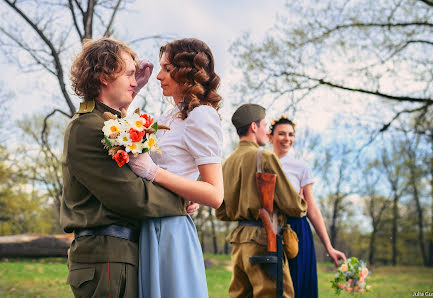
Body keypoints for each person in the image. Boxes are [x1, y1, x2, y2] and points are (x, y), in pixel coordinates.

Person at [61, 37, 188, 297]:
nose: (136, 81)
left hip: (115, 255)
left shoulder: (101, 121)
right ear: (105, 75)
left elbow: (119, 127)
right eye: (129, 74)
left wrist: (132, 92)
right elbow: (133, 197)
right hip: (107, 259)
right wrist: (183, 198)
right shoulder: (88, 127)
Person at [127, 38, 224, 298]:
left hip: (170, 230)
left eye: (167, 69)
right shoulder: (171, 116)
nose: (159, 76)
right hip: (152, 222)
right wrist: (133, 89)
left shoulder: (201, 115)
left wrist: (153, 173)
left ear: (188, 72)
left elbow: (215, 195)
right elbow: (126, 135)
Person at [216, 103, 307, 298]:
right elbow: (293, 205)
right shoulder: (264, 157)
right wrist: (301, 204)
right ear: (254, 127)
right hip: (264, 240)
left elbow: (221, 212)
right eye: (264, 125)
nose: (267, 132)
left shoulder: (227, 163)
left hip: (239, 243)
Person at [268, 115, 347, 298]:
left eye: (291, 134)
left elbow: (311, 208)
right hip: (269, 229)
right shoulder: (261, 163)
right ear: (270, 137)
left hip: (297, 231)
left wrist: (329, 246)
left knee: (298, 287)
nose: (287, 138)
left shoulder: (301, 167)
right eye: (281, 134)